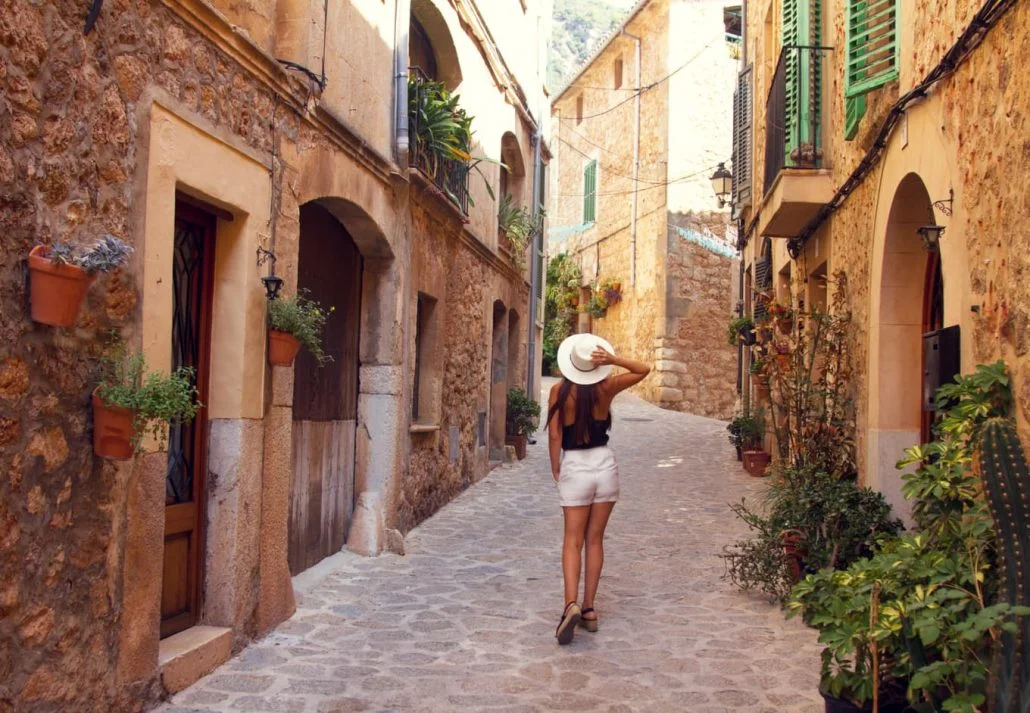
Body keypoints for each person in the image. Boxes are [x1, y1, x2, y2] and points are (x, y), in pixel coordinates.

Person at [546, 333, 651, 645]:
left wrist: (556, 466)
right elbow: (644, 369)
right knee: (595, 540)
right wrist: (614, 360)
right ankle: (589, 608)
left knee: (572, 540)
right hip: (605, 466)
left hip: (575, 466)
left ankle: (570, 605)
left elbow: (554, 436)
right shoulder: (607, 387)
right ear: (596, 364)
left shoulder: (558, 391)